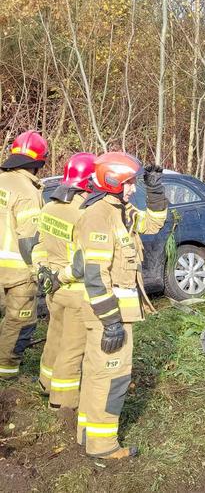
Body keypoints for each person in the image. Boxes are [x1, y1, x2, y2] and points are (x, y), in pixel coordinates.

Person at [76, 152, 167, 459]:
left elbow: (153, 224)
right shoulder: (99, 215)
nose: (132, 189)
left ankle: (88, 436)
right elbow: (95, 276)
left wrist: (155, 190)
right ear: (112, 181)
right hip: (107, 314)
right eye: (128, 183)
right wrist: (111, 320)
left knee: (96, 374)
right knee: (112, 378)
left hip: (113, 313)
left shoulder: (121, 210)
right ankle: (103, 446)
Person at [34, 153, 96, 409]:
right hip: (75, 290)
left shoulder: (48, 207)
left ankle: (45, 383)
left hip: (53, 289)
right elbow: (85, 261)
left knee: (55, 337)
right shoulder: (84, 214)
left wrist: (44, 273)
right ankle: (63, 402)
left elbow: (37, 245)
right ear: (90, 182)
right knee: (73, 348)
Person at [0, 131, 48, 378]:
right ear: (38, 163)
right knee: (20, 321)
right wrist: (38, 271)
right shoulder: (28, 192)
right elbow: (29, 239)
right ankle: (6, 373)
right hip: (17, 270)